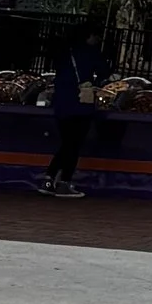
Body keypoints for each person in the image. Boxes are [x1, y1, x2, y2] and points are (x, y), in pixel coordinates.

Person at [37, 39, 94, 200]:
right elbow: (102, 70)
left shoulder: (61, 58)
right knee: (73, 145)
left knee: (67, 143)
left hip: (61, 107)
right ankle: (64, 182)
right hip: (80, 106)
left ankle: (48, 179)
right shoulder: (87, 54)